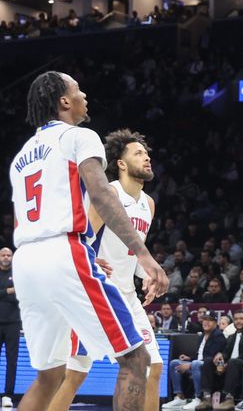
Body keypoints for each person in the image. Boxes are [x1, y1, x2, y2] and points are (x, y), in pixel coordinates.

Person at [9, 71, 168, 411]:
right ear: (64, 101)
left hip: (26, 261)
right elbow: (100, 194)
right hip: (64, 252)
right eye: (78, 90)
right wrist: (145, 255)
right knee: (135, 359)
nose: (84, 95)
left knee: (49, 375)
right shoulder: (80, 136)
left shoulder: (21, 156)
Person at [47, 129, 164, 411]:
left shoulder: (148, 204)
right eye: (138, 153)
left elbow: (135, 251)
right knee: (74, 376)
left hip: (127, 294)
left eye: (147, 153)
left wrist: (146, 276)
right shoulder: (108, 194)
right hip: (95, 295)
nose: (147, 158)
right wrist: (89, 259)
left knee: (154, 368)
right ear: (121, 163)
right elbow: (77, 238)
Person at [196, 310, 243, 410]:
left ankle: (229, 398)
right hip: (231, 366)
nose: (238, 321)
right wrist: (221, 355)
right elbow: (226, 353)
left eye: (241, 319)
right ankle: (207, 397)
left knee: (233, 362)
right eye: (236, 319)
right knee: (209, 361)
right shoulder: (231, 336)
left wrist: (227, 364)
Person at [163, 314, 226, 410]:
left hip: (209, 366)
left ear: (215, 323)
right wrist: (189, 359)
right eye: (205, 320)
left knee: (196, 364)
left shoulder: (218, 336)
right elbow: (199, 355)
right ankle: (180, 396)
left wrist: (190, 365)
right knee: (174, 363)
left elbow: (211, 357)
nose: (206, 322)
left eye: (210, 320)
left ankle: (198, 398)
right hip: (198, 362)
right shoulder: (201, 336)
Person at [0, 248, 20, 408]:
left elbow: (20, 295)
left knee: (11, 361)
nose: (6, 257)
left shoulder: (18, 273)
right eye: (3, 255)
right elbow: (11, 293)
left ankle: (8, 395)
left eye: (8, 255)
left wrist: (6, 294)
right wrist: (7, 291)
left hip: (13, 323)